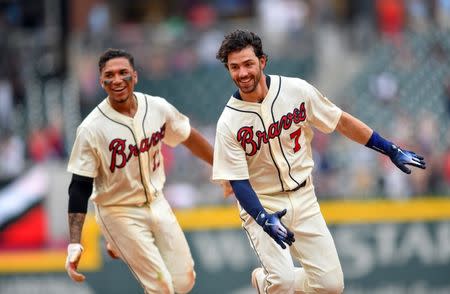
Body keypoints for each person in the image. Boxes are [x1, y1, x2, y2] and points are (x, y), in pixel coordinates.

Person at [212, 30, 426, 294]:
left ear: (262, 61)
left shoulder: (295, 90)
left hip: (304, 196)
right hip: (262, 202)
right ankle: (268, 280)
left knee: (331, 286)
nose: (242, 73)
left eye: (248, 64)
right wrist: (262, 217)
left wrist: (389, 148)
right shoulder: (229, 122)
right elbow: (238, 181)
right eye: (234, 67)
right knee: (282, 282)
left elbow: (340, 121)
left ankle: (262, 280)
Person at [65, 48, 224, 293]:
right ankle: (118, 238)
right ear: (101, 81)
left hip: (156, 201)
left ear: (135, 77)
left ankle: (119, 245)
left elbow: (188, 136)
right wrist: (74, 243)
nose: (117, 79)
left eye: (123, 73)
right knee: (161, 287)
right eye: (110, 75)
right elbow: (79, 186)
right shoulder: (91, 129)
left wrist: (223, 170)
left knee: (185, 281)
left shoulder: (156, 107)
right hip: (118, 210)